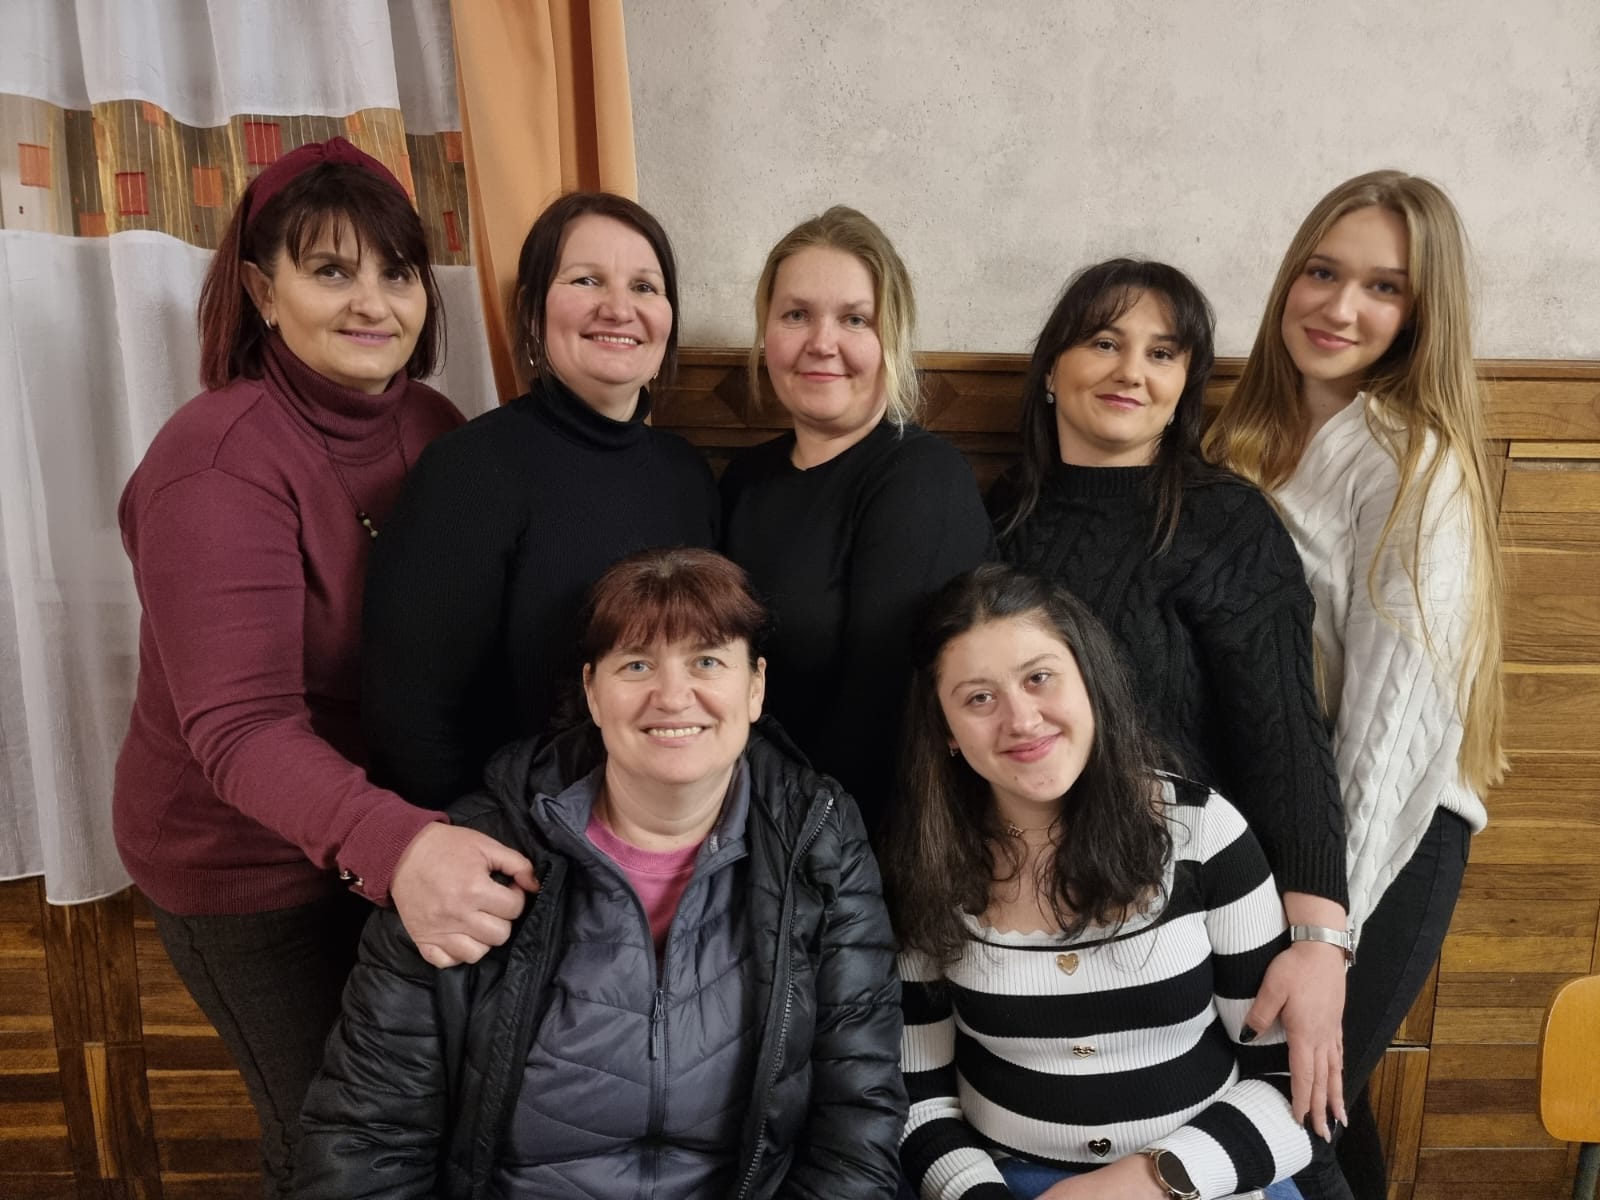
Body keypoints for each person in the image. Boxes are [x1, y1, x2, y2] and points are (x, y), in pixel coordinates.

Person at [111, 138, 536, 1197]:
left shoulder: (433, 424)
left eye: (397, 272)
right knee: (332, 1142)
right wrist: (405, 846)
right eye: (331, 270)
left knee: (432, 1119)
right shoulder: (215, 463)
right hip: (245, 867)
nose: (373, 303)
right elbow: (240, 730)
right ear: (262, 290)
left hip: (384, 828)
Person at [297, 547, 907, 1199]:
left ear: (755, 687)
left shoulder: (819, 838)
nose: (673, 696)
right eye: (637, 664)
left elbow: (858, 1119)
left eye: (707, 661)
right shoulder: (478, 851)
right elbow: (367, 1137)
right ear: (592, 691)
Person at [989, 259, 1350, 1139]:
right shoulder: (997, 519)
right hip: (1022, 915)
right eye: (1104, 342)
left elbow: (1287, 744)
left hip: (1200, 914)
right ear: (1051, 367)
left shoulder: (1226, 520)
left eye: (1162, 353)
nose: (1131, 371)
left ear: (1186, 384)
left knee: (1291, 1137)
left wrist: (1318, 944)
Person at [1204, 171, 1504, 1200]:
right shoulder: (1236, 443)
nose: (1338, 307)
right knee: (1329, 1110)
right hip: (1271, 844)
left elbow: (1389, 731)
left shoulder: (1414, 463)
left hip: (1387, 844)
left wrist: (1325, 936)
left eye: (1383, 288)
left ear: (1422, 314)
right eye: (1322, 273)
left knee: (1293, 1119)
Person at [886, 564, 1313, 1200]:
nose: (1021, 719)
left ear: (1089, 679)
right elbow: (918, 1095)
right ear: (945, 730)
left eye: (1039, 678)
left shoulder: (1203, 832)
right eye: (979, 698)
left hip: (1202, 1178)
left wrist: (1142, 1182)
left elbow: (1289, 1083)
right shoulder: (925, 863)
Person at [362, 192, 719, 810]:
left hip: (676, 826)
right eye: (586, 280)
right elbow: (410, 719)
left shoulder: (689, 473)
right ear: (531, 311)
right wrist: (483, 843)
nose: (619, 308)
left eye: (644, 286)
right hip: (514, 836)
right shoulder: (468, 470)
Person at [720, 206, 992, 834]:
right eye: (796, 315)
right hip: (737, 814)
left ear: (890, 339)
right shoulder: (744, 478)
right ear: (766, 332)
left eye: (854, 319)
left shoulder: (922, 477)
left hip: (853, 841)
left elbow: (885, 714)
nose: (822, 342)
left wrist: (787, 843)